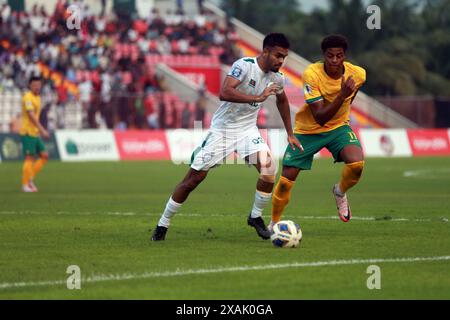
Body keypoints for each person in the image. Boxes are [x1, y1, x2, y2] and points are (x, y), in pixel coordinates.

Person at [152, 33, 303, 241]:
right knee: (193, 180)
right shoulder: (244, 65)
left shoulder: (277, 77)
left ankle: (255, 216)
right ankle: (163, 224)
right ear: (266, 51)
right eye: (278, 55)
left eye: (284, 57)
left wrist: (290, 133)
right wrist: (257, 98)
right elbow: (225, 92)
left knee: (269, 169)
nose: (280, 61)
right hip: (222, 130)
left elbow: (283, 101)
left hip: (248, 130)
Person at [270, 34, 366, 227]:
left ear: (344, 56)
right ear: (324, 55)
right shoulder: (311, 74)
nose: (334, 60)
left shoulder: (358, 74)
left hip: (338, 127)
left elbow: (350, 98)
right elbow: (320, 117)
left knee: (357, 164)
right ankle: (273, 224)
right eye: (330, 56)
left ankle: (339, 191)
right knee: (285, 182)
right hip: (307, 131)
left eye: (339, 56)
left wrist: (344, 110)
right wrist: (342, 95)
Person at [20, 76, 50, 193]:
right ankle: (25, 184)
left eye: (39, 84)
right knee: (29, 158)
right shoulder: (27, 97)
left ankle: (30, 177)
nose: (37, 87)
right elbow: (31, 116)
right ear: (30, 86)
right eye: (34, 85)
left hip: (35, 132)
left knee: (44, 156)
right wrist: (42, 130)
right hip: (28, 132)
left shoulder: (38, 98)